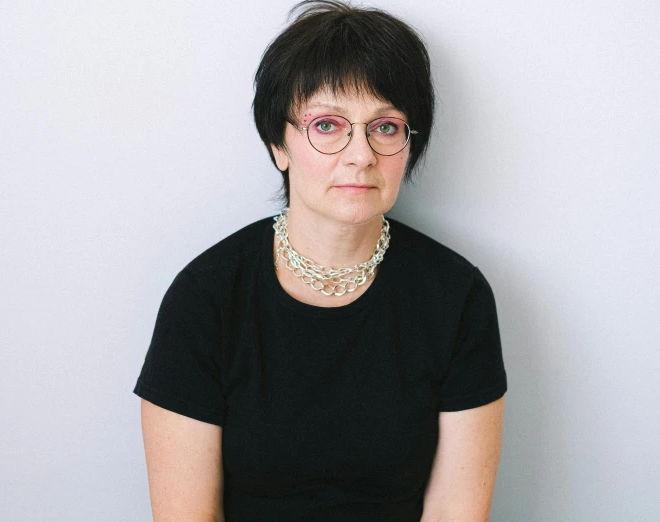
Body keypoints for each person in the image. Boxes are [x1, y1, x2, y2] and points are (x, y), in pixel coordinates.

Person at [134, 1, 508, 520]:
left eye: (386, 126)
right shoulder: (205, 298)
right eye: (328, 125)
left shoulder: (456, 296)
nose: (361, 155)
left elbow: (455, 512)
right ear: (278, 143)